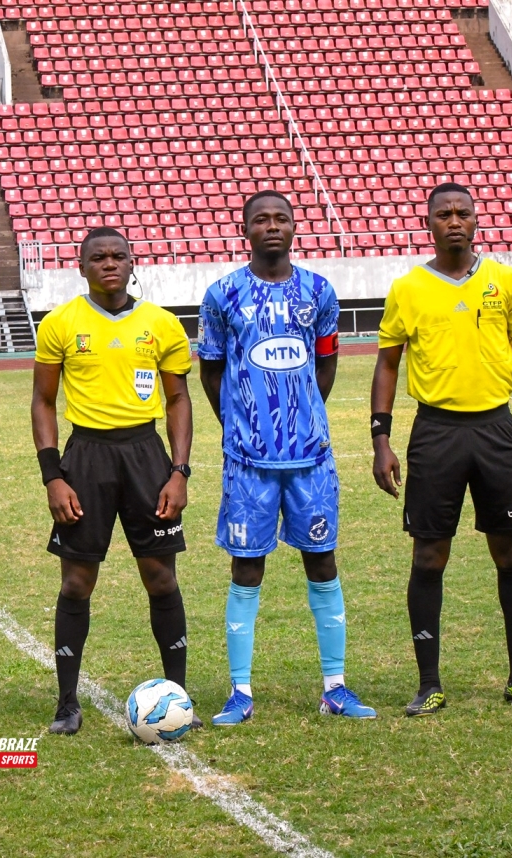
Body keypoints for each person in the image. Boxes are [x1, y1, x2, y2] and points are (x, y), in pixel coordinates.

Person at [371, 182, 512, 716]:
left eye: (462, 213)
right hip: (435, 432)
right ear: (428, 223)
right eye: (443, 214)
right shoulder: (408, 288)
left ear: (476, 221)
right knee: (429, 556)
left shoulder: (504, 280)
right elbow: (387, 363)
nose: (454, 221)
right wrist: (381, 438)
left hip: (497, 429)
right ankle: (428, 684)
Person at [198, 190, 376, 725]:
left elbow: (326, 365)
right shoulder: (222, 294)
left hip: (310, 457)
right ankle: (240, 692)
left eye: (281, 218)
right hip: (248, 461)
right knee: (246, 567)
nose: (272, 226)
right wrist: (241, 423)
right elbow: (211, 370)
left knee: (322, 560)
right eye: (261, 219)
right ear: (245, 229)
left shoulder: (319, 292)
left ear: (295, 227)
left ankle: (335, 687)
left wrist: (302, 418)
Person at [33, 226, 197, 736]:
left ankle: (178, 697)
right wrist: (53, 476)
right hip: (86, 457)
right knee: (76, 581)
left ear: (131, 263)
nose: (109, 263)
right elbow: (43, 401)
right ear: (81, 267)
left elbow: (178, 399)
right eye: (98, 257)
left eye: (118, 256)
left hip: (146, 456)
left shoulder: (162, 324)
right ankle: (67, 703)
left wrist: (179, 471)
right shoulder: (60, 323)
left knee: (161, 578)